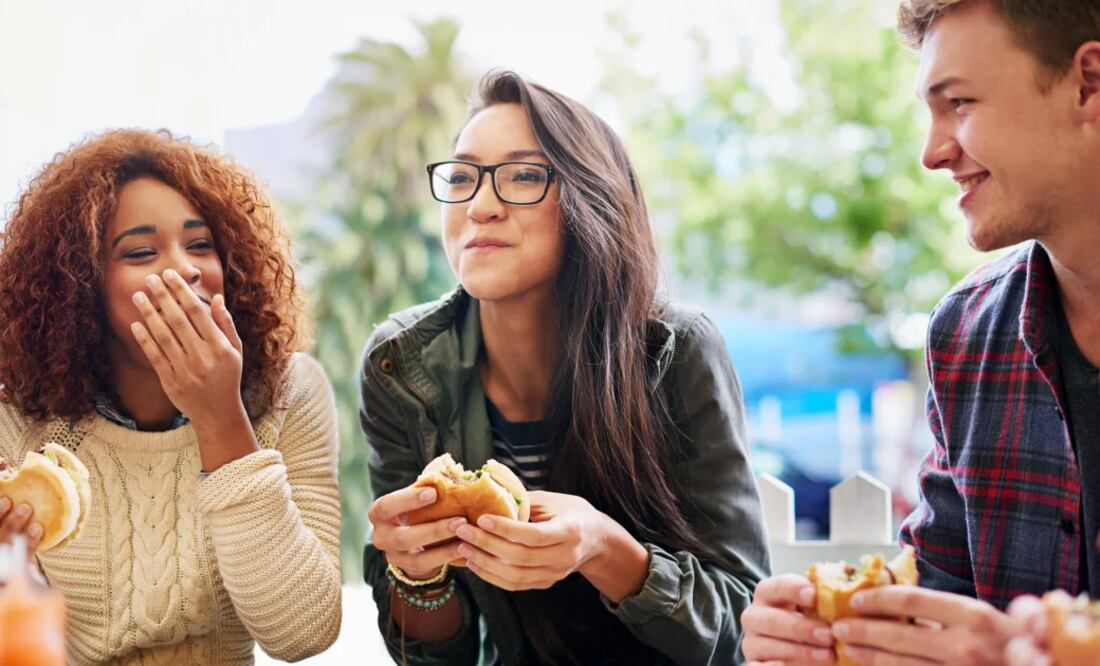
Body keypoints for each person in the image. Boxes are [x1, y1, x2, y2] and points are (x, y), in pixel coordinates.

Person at [360, 69, 769, 666]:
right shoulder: (400, 365)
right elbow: (436, 658)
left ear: (590, 200)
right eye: (462, 176)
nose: (480, 205)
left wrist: (603, 548)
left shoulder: (678, 350)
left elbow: (740, 628)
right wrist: (417, 575)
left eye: (524, 175)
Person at [740, 1, 1100, 664]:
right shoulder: (965, 331)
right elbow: (937, 605)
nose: (933, 153)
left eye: (959, 102)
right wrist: (835, 636)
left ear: (1089, 83)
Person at [0, 129, 342, 663]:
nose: (185, 269)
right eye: (140, 251)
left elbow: (302, 633)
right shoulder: (19, 420)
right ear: (79, 286)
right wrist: (7, 570)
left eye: (201, 244)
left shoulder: (289, 391)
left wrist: (221, 419)